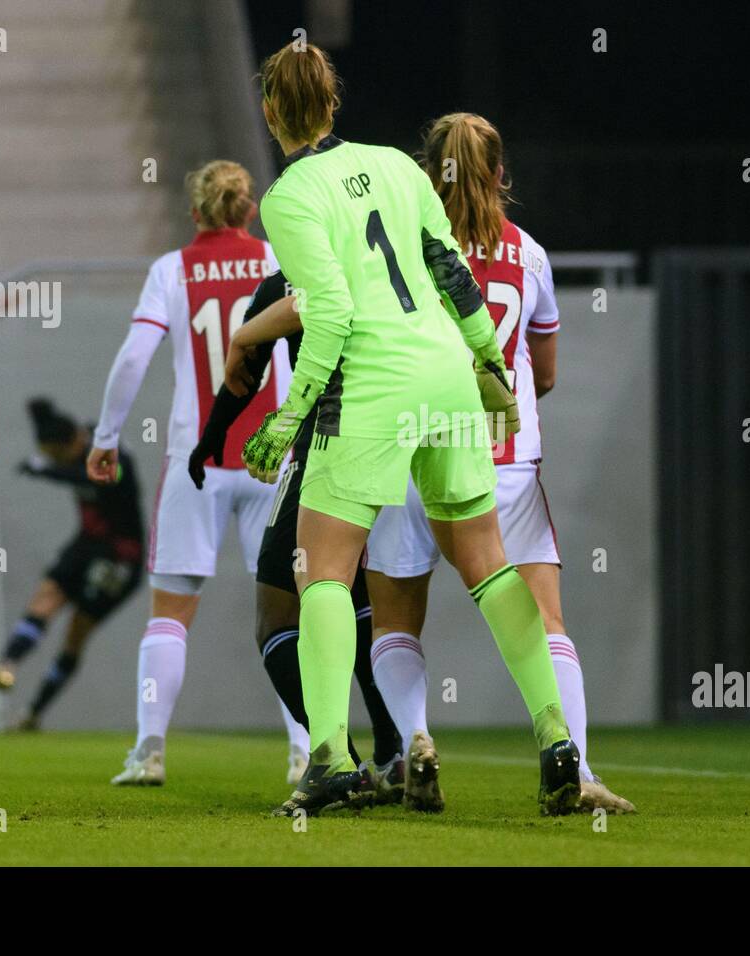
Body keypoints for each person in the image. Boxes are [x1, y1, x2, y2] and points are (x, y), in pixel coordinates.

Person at [241, 41, 580, 816]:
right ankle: (555, 736)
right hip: (445, 376)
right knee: (490, 565)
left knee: (322, 571)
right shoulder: (398, 164)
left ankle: (329, 757)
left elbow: (327, 313)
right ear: (334, 103)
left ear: (271, 113)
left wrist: (290, 413)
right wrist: (491, 364)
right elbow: (451, 271)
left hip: (368, 386)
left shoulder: (289, 198)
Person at [364, 113, 634, 813]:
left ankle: (415, 743)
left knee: (394, 621)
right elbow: (541, 374)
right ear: (501, 175)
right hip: (501, 464)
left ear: (427, 173)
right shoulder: (532, 257)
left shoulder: (399, 247)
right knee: (545, 619)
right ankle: (575, 763)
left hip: (403, 452)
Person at [85, 160, 294, 785]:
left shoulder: (171, 271)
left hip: (195, 459)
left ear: (196, 213)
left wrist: (106, 437)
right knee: (294, 613)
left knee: (171, 613)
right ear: (250, 208)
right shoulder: (278, 260)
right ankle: (309, 752)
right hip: (271, 458)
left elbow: (133, 358)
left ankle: (149, 750)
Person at [188, 270, 405, 801]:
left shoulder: (289, 280)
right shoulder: (389, 260)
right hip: (400, 447)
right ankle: (396, 749)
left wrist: (211, 436)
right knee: (357, 599)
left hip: (324, 451)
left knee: (277, 616)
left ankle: (340, 762)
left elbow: (248, 372)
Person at [0, 399, 143, 728]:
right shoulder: (74, 437)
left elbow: (93, 477)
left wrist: (46, 470)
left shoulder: (111, 454)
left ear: (73, 443)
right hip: (86, 544)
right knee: (45, 597)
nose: (55, 461)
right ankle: (6, 666)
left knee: (75, 633)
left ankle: (33, 714)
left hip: (120, 557)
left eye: (57, 455)